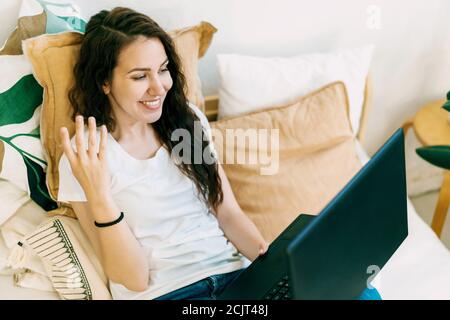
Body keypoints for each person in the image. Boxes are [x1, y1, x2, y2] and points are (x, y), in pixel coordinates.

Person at [58, 7, 381, 300]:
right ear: (104, 81)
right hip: (169, 293)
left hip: (236, 279)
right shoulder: (86, 157)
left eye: (163, 69)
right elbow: (134, 279)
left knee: (359, 292)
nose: (159, 87)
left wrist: (281, 267)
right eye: (140, 76)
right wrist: (99, 195)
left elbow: (227, 212)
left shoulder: (184, 121)